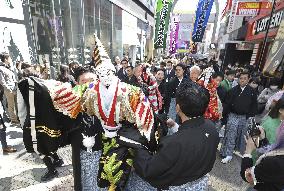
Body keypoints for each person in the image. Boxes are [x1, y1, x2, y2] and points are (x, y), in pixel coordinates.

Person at [119, 80, 219, 190]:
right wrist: (174, 125)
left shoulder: (174, 143)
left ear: (177, 108)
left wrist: (138, 144)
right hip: (198, 179)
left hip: (176, 185)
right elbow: (192, 137)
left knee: (134, 180)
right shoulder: (211, 127)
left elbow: (149, 169)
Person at [221, 72, 258, 163]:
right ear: (238, 79)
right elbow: (227, 105)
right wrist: (225, 117)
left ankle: (237, 151)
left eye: (245, 78)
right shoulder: (232, 90)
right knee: (231, 135)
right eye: (241, 78)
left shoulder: (252, 92)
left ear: (248, 79)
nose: (242, 80)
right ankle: (228, 154)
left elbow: (254, 106)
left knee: (241, 136)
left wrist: (250, 117)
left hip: (244, 117)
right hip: (233, 115)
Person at [240, 121, 284, 190]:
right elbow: (276, 153)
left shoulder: (275, 162)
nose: (279, 127)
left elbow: (247, 176)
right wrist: (263, 139)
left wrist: (248, 150)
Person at [0, 53, 19, 124]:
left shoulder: (8, 67)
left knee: (17, 104)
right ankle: (14, 120)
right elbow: (2, 81)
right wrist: (8, 89)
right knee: (11, 105)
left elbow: (12, 78)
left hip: (14, 88)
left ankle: (18, 118)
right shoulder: (1, 68)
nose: (11, 59)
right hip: (9, 90)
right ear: (5, 59)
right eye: (9, 58)